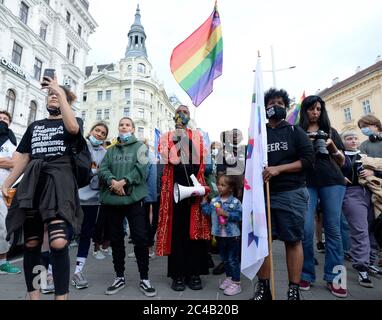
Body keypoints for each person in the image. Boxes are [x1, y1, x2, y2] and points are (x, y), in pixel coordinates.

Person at [2, 75, 83, 300]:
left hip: (58, 184)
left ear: (67, 101)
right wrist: (7, 183)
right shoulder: (35, 126)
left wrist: (59, 90)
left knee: (58, 242)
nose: (53, 97)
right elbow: (24, 157)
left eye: (58, 95)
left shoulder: (72, 121)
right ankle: (34, 295)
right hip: (33, 186)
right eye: (50, 95)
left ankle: (61, 296)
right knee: (32, 243)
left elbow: (74, 128)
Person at [251, 88, 314, 300]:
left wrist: (279, 169)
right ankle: (264, 289)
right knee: (263, 241)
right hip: (264, 196)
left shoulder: (296, 132)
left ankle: (293, 290)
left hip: (291, 192)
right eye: (270, 103)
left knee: (293, 241)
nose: (274, 106)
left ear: (285, 108)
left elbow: (307, 160)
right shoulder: (260, 135)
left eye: (279, 102)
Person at [99, 117, 156, 297]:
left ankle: (144, 278)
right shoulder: (111, 149)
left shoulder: (140, 147)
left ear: (132, 128)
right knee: (116, 239)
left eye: (127, 125)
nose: (124, 127)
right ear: (119, 128)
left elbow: (142, 169)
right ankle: (119, 276)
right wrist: (113, 182)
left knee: (140, 238)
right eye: (121, 124)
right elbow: (103, 169)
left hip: (134, 200)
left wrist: (124, 181)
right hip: (113, 201)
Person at [156, 105, 210, 291]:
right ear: (174, 116)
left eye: (185, 112)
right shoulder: (166, 136)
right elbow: (165, 156)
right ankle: (178, 275)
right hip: (174, 191)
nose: (182, 114)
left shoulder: (197, 136)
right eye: (179, 111)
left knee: (194, 234)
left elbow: (203, 159)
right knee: (177, 232)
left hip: (194, 189)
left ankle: (194, 273)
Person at [299, 95, 348, 298]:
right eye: (311, 109)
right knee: (306, 229)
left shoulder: (330, 132)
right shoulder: (298, 132)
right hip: (306, 182)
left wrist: (331, 146)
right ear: (305, 111)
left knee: (333, 230)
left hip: (333, 181)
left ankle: (335, 278)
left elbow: (343, 162)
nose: (315, 112)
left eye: (319, 109)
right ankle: (306, 274)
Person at [341, 129, 382, 288]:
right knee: (360, 230)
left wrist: (373, 171)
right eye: (349, 138)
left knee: (373, 228)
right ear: (343, 141)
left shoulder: (365, 156)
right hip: (352, 193)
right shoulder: (340, 156)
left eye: (355, 138)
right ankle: (361, 267)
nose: (352, 141)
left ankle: (370, 261)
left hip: (372, 193)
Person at [71, 122, 108, 289]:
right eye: (97, 130)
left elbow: (106, 174)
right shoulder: (79, 147)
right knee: (63, 235)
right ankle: (50, 272)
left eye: (103, 133)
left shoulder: (106, 153)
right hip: (73, 198)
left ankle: (78, 272)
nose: (99, 134)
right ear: (91, 131)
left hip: (93, 200)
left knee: (86, 235)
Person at [201, 174, 242, 296]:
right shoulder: (215, 201)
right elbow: (207, 212)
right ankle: (229, 278)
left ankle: (236, 282)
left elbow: (240, 216)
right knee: (225, 259)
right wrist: (204, 201)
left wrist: (226, 214)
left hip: (233, 236)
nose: (219, 187)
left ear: (230, 188)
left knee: (232, 260)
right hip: (219, 235)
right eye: (218, 184)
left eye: (223, 185)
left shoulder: (235, 202)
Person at [0, 111, 20, 275]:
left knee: (3, 227)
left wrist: (9, 162)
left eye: (5, 119)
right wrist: (4, 162)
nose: (2, 121)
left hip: (3, 191)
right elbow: (7, 161)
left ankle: (3, 262)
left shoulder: (12, 143)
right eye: (0, 118)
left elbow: (14, 162)